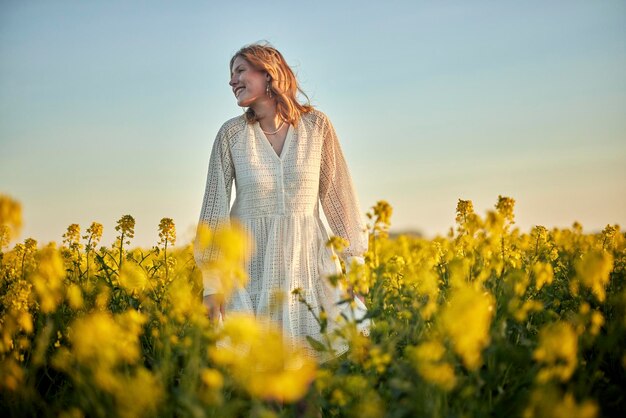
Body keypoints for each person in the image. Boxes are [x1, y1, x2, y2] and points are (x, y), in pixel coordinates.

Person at [194, 42, 369, 360]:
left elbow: (338, 198)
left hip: (307, 269)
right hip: (251, 274)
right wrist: (211, 285)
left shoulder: (317, 127)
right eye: (231, 74)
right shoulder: (231, 135)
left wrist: (355, 266)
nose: (232, 80)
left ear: (269, 73)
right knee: (261, 386)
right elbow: (214, 208)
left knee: (308, 385)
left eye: (240, 71)